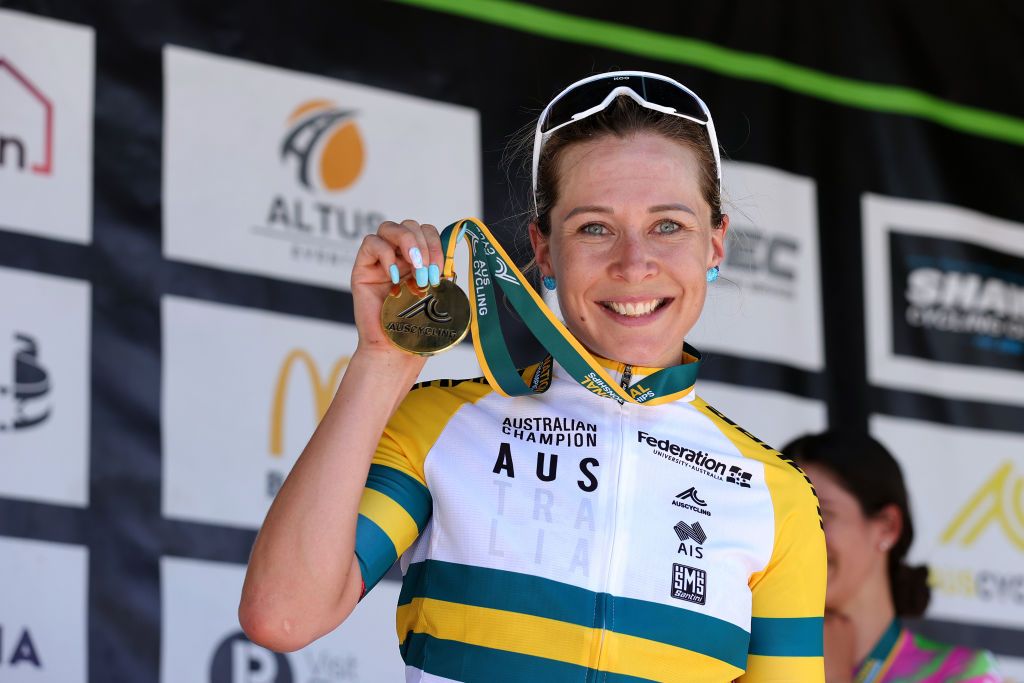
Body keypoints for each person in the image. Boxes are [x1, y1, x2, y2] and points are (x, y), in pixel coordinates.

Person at [240, 70, 826, 682]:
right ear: (544, 251)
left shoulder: (775, 498)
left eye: (668, 226)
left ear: (715, 245)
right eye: (594, 227)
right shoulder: (440, 424)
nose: (633, 264)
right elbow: (282, 617)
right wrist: (382, 362)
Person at [782, 431, 1002, 683]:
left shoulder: (964, 672)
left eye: (821, 514)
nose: (798, 539)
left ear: (887, 527)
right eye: (787, 520)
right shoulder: (752, 667)